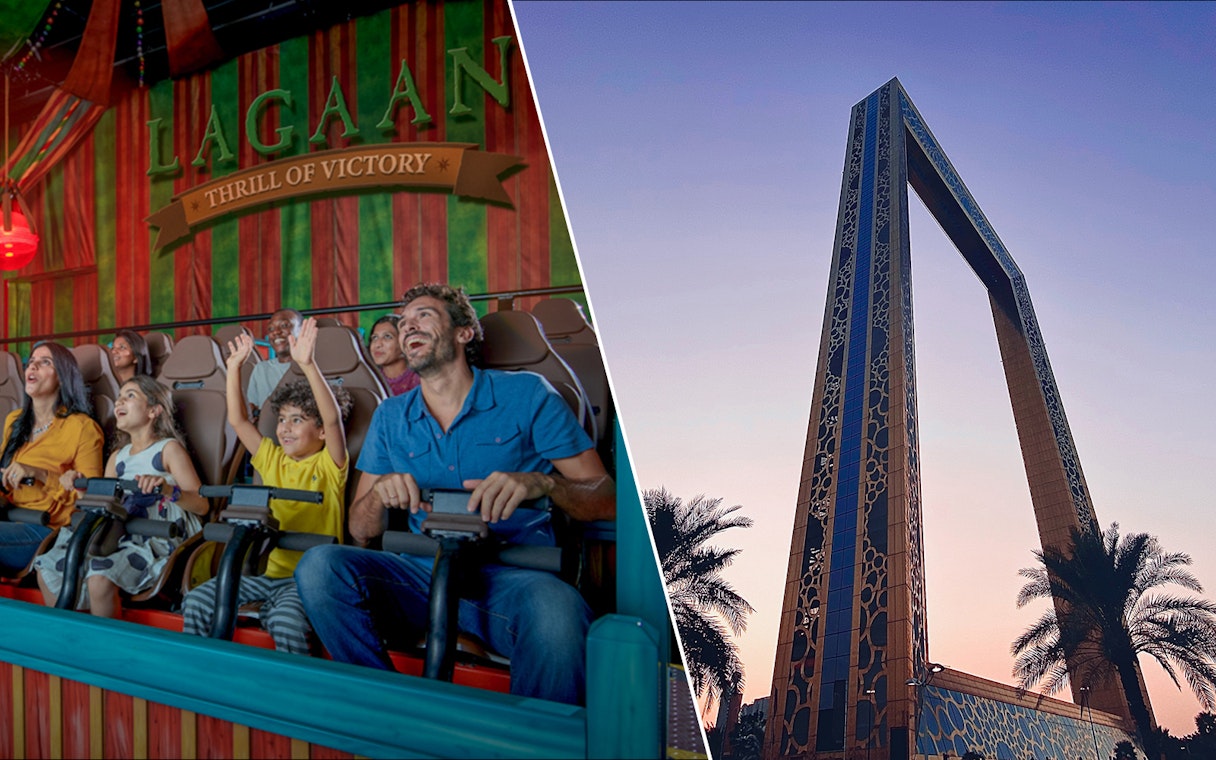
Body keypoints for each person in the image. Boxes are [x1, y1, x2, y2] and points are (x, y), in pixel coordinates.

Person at [295, 284, 614, 705]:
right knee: (319, 566)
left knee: (559, 612)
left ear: (464, 333)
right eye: (403, 323)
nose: (409, 326)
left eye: (424, 316)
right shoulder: (391, 416)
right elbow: (359, 529)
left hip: (509, 580)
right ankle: (388, 709)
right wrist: (378, 497)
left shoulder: (528, 394)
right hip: (419, 574)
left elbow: (606, 498)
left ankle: (534, 735)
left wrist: (545, 483)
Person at [180, 318, 350, 654]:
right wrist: (233, 368)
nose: (285, 428)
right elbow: (238, 421)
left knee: (286, 621)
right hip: (269, 576)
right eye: (282, 419)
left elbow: (332, 420)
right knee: (198, 601)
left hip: (308, 582)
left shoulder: (330, 465)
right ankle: (202, 676)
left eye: (297, 420)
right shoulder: (273, 459)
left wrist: (308, 365)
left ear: (320, 432)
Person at [34, 376, 208, 615]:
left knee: (99, 578)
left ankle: (101, 637)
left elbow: (202, 505)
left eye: (130, 396)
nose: (119, 402)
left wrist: (168, 490)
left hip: (157, 537)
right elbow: (107, 505)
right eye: (118, 397)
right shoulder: (118, 457)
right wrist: (80, 490)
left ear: (153, 411)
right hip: (117, 534)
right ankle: (73, 633)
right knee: (47, 568)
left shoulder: (168, 450)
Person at [0, 342, 104, 573]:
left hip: (46, 529)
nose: (33, 366)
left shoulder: (82, 428)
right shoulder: (14, 421)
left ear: (63, 378)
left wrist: (41, 474)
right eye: (31, 362)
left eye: (45, 362)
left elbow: (92, 499)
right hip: (8, 517)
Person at [245, 308, 303, 409]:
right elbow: (252, 407)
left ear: (302, 330)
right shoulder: (261, 369)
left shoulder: (313, 368)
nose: (275, 332)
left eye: (284, 325)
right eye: (271, 329)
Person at [366, 313, 420, 396]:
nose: (377, 344)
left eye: (387, 336)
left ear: (404, 343)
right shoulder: (370, 381)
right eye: (375, 337)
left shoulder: (420, 380)